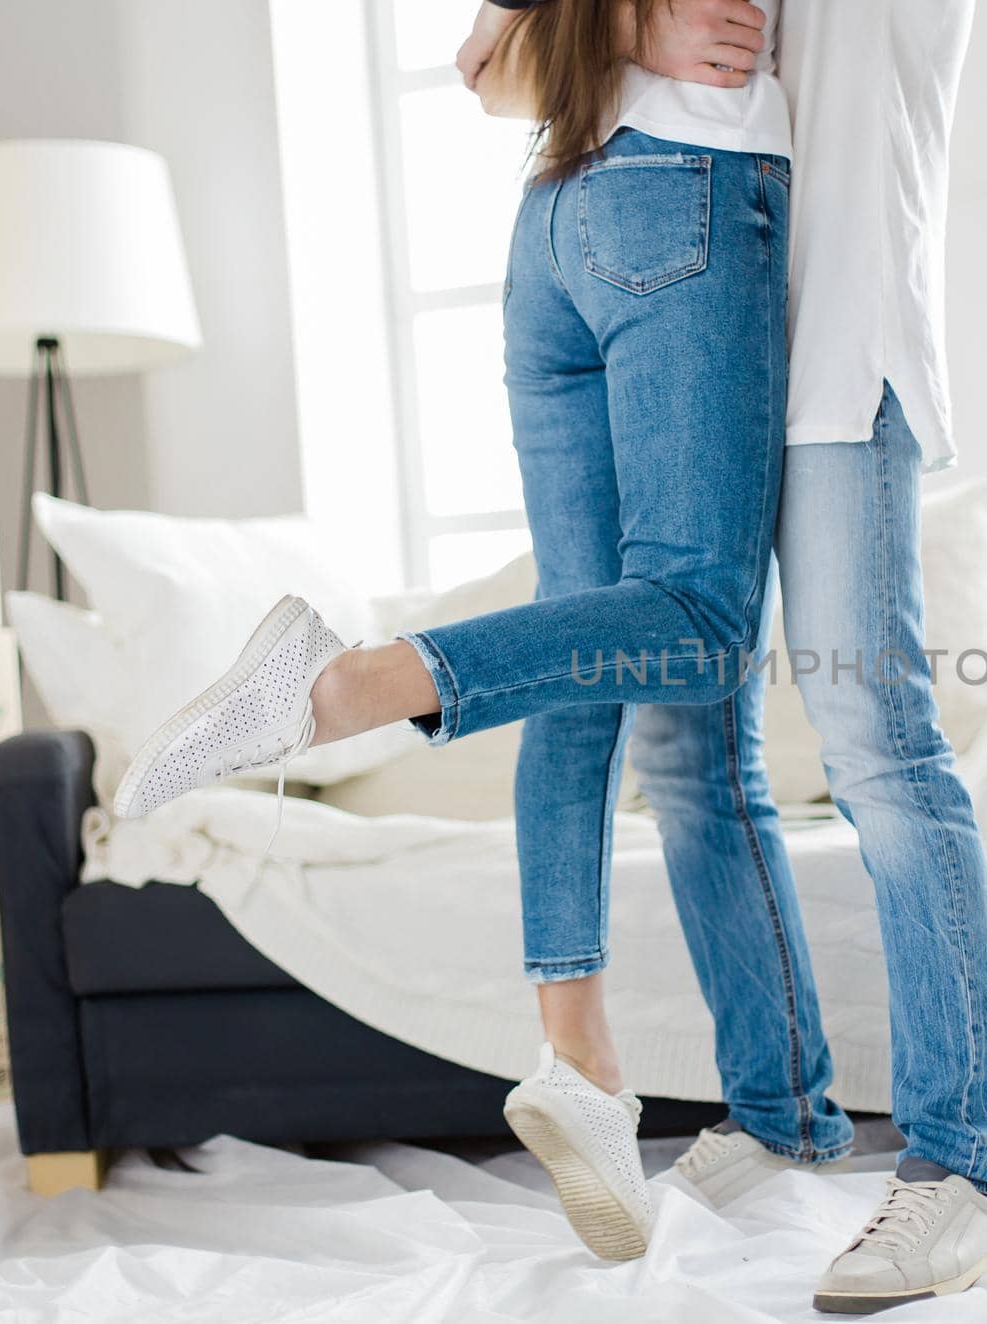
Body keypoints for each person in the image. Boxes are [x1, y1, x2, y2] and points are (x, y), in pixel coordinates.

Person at [116, 0, 792, 1269]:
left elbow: (485, 63)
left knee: (583, 654)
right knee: (700, 623)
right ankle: (345, 681)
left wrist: (620, 34)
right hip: (690, 201)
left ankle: (579, 1059)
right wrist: (651, 31)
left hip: (557, 220)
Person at [474, 0, 987, 1312]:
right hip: (695, 356)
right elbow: (499, 71)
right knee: (687, 748)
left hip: (837, 352)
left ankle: (966, 1173)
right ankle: (783, 1111)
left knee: (876, 745)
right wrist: (628, 40)